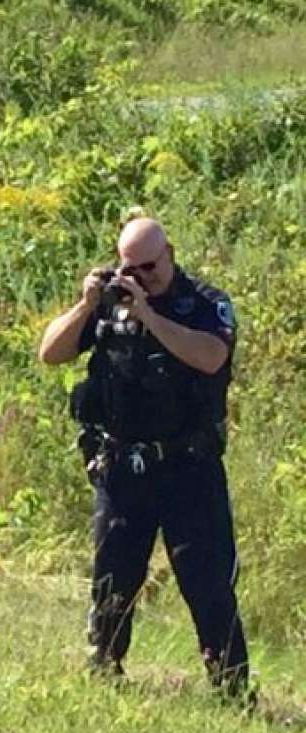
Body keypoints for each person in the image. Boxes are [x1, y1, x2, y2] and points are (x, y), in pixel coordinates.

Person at [38, 217, 250, 696]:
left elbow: (211, 356)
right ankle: (105, 669)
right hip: (122, 467)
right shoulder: (111, 303)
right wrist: (87, 304)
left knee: (208, 581)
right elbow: (50, 353)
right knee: (113, 577)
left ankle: (231, 686)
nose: (138, 276)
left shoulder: (204, 304)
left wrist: (151, 318)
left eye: (148, 266)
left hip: (188, 468)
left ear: (170, 254)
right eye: (128, 266)